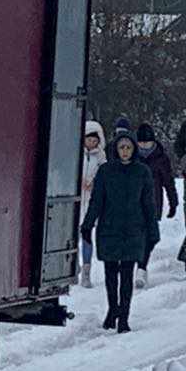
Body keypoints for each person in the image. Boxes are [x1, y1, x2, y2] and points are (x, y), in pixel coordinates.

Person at [80, 126, 159, 333]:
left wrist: (153, 229)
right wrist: (88, 225)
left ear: (134, 149)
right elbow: (97, 201)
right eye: (122, 147)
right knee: (110, 273)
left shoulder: (142, 172)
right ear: (116, 149)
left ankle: (124, 316)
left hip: (134, 229)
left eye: (128, 147)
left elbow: (149, 204)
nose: (125, 151)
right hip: (109, 228)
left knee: (126, 275)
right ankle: (112, 309)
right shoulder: (106, 171)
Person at [135, 124, 178, 288]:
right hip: (132, 202)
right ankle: (135, 263)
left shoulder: (161, 158)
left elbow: (168, 181)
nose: (144, 146)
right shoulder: (131, 156)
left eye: (147, 143)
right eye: (141, 143)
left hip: (153, 202)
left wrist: (173, 202)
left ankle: (141, 267)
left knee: (148, 236)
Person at [79, 121, 106, 286]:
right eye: (89, 139)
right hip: (75, 199)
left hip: (91, 201)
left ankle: (87, 270)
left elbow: (104, 175)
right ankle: (74, 266)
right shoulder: (76, 153)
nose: (92, 143)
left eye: (95, 140)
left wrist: (94, 183)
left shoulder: (101, 157)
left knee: (87, 234)